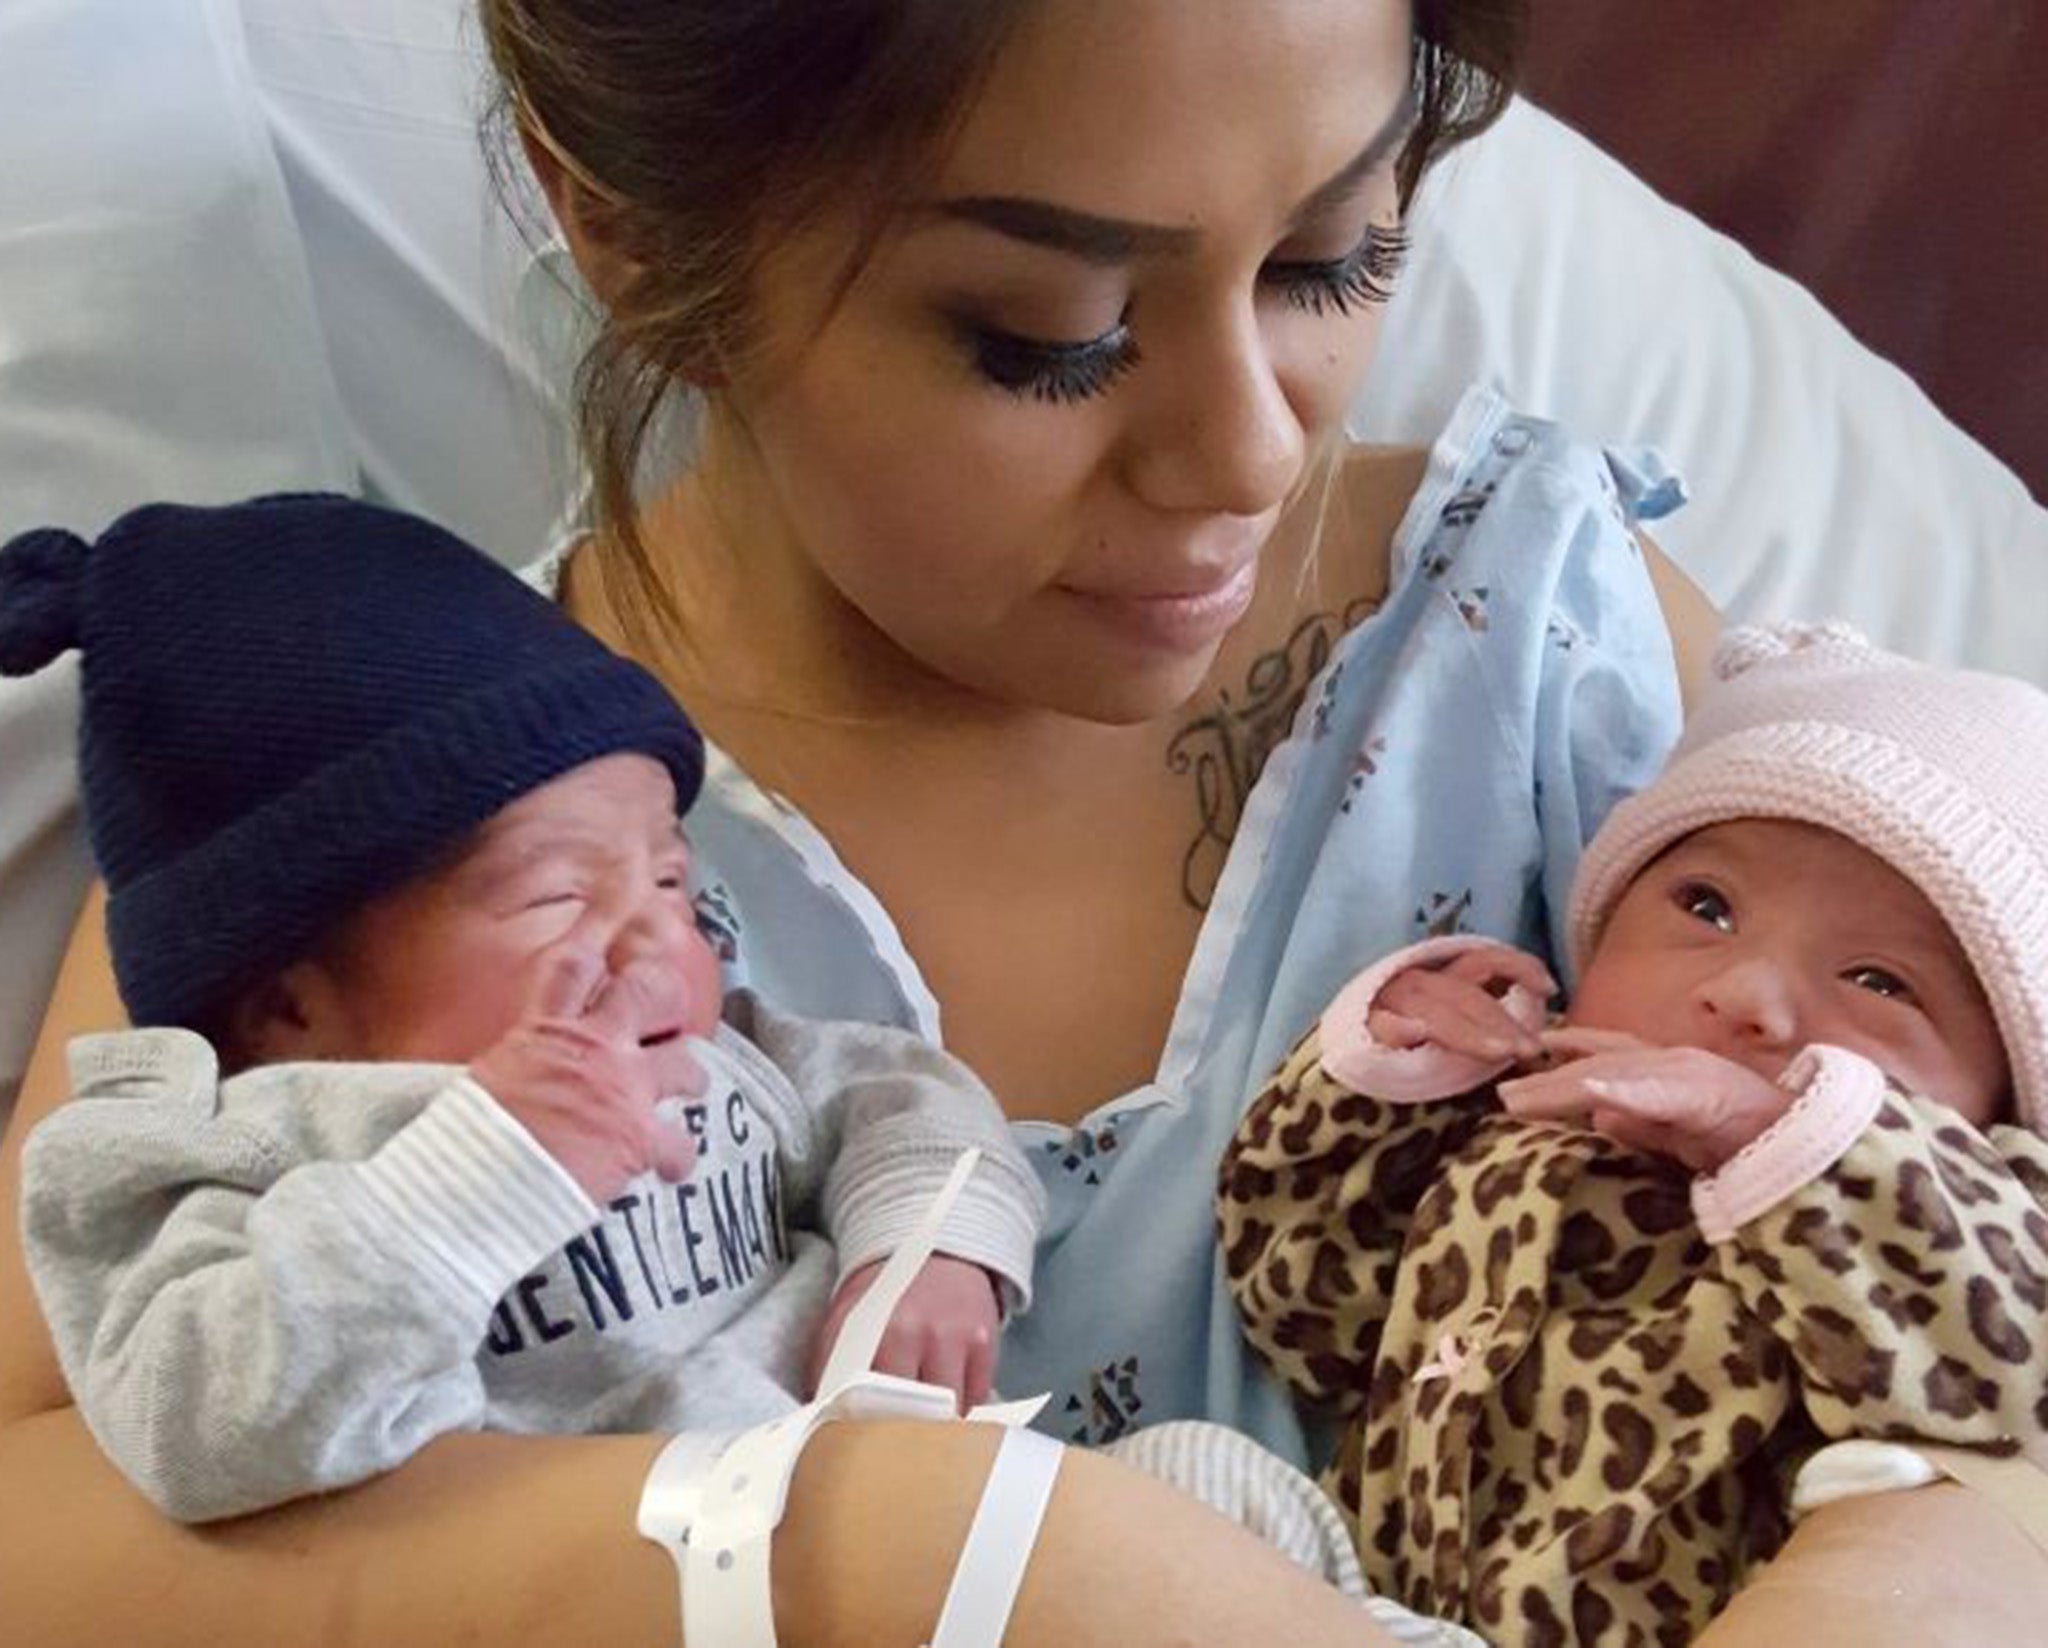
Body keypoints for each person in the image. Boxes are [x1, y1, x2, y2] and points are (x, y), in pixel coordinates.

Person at [4, 4, 2041, 1645]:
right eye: (1044, 333)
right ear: (616, 218)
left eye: (1339, 257)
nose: (1249, 445)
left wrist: (1932, 1553)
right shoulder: (370, 821)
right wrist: (876, 1550)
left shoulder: (1558, 647)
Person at [3, 493, 1046, 1524]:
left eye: (672, 882)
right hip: (614, 1583)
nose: (658, 942)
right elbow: (193, 1423)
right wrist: (480, 1170)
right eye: (557, 897)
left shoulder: (723, 1050)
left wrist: (927, 1252)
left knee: (1189, 1491)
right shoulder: (252, 1154)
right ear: (287, 1007)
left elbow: (903, 1097)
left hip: (894, 1498)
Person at [1220, 622, 2048, 1642]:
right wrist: (1385, 1075)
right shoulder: (1512, 1110)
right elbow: (1301, 1313)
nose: (1745, 994)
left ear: (1994, 1097)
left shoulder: (1977, 1210)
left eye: (1877, 981)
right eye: (1704, 905)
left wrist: (1792, 1142)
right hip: (1367, 1602)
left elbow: (2002, 1378)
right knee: (1182, 1487)